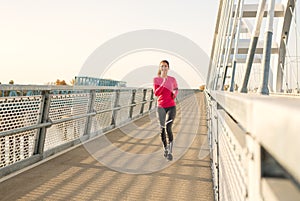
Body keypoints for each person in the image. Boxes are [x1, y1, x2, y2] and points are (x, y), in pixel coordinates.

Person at [153, 60, 178, 161]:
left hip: (171, 106)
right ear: (160, 68)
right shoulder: (156, 80)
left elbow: (176, 89)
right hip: (161, 107)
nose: (164, 68)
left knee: (168, 127)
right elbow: (156, 93)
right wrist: (163, 82)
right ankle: (166, 149)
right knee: (162, 129)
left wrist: (174, 94)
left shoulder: (172, 79)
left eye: (165, 66)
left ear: (168, 68)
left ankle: (170, 152)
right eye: (162, 66)